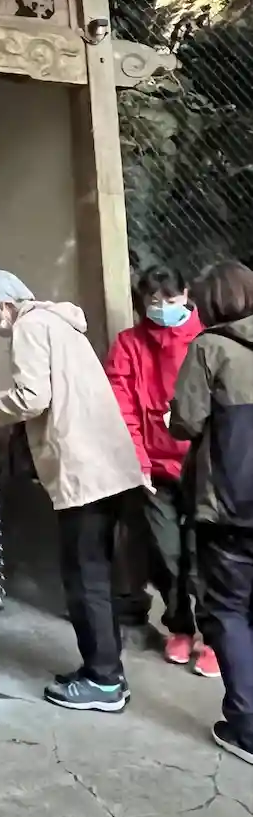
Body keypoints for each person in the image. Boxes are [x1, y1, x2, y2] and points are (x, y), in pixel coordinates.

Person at [0, 270, 145, 712]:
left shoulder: (29, 327)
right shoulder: (61, 323)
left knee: (84, 578)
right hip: (109, 466)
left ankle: (104, 680)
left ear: (4, 306)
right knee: (97, 574)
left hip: (82, 471)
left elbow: (33, 397)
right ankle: (105, 670)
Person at [104, 267, 216, 675]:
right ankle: (180, 627)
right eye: (154, 301)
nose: (163, 308)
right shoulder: (129, 344)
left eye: (170, 300)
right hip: (154, 467)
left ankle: (213, 637)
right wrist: (139, 462)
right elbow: (123, 409)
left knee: (204, 554)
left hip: (204, 465)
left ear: (186, 295)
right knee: (167, 553)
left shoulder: (208, 340)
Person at [170, 260, 253, 763]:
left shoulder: (211, 348)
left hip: (230, 506)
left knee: (228, 611)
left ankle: (247, 727)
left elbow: (185, 421)